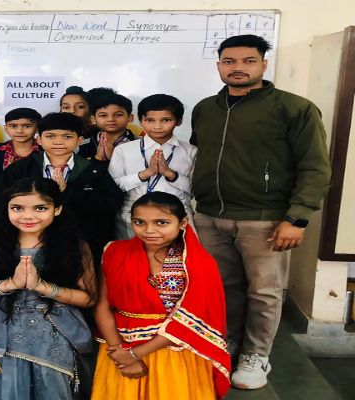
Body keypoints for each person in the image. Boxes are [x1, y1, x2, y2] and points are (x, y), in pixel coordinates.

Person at [190, 34, 331, 389]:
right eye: (229, 61)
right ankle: (229, 341)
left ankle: (256, 355)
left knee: (264, 292)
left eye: (248, 61)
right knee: (224, 288)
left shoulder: (294, 108)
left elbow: (315, 167)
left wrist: (297, 218)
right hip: (210, 216)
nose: (238, 68)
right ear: (219, 65)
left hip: (265, 218)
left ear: (264, 65)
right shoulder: (205, 108)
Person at [0, 177, 97, 399]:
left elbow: (88, 298)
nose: (28, 216)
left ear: (57, 209)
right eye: (17, 208)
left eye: (40, 208)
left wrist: (42, 287)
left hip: (51, 338)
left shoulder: (74, 246)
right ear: (7, 208)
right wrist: (11, 284)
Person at [92, 192, 231, 399]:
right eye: (139, 222)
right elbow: (102, 306)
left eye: (161, 223)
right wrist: (118, 353)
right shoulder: (114, 252)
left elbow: (194, 318)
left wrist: (133, 355)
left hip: (174, 352)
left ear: (182, 223)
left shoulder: (197, 263)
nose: (149, 230)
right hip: (120, 345)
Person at [2, 112, 124, 265]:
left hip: (79, 241)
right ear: (39, 140)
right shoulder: (20, 169)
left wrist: (68, 192)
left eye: (67, 136)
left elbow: (112, 203)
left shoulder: (93, 170)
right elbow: (1, 202)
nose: (58, 142)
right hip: (29, 240)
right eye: (50, 136)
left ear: (79, 140)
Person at [109, 94, 196, 239]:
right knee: (133, 253)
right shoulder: (124, 150)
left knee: (179, 254)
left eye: (166, 120)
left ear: (179, 121)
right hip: (132, 218)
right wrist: (145, 174)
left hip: (176, 218)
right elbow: (113, 186)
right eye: (149, 120)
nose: (157, 126)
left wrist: (170, 174)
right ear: (140, 120)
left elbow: (196, 189)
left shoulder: (191, 151)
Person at [0, 107, 42, 193]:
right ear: (6, 128)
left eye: (27, 126)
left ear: (37, 128)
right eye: (13, 126)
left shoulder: (45, 151)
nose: (19, 131)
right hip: (1, 198)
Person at [88, 93, 139, 161]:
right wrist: (97, 159)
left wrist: (115, 159)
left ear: (130, 118)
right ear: (94, 120)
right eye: (103, 115)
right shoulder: (80, 144)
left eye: (118, 115)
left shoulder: (142, 144)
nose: (111, 119)